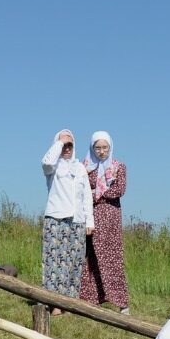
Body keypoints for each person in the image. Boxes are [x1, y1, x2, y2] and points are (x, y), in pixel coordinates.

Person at [40, 129, 93, 309]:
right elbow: (46, 161)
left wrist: (89, 221)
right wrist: (60, 143)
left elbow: (87, 196)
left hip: (77, 221)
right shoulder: (53, 167)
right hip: (56, 218)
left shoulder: (80, 168)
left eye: (70, 144)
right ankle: (53, 302)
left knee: (74, 262)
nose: (67, 148)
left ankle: (69, 303)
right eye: (64, 145)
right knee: (53, 262)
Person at [79, 131, 130, 314]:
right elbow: (78, 189)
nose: (101, 151)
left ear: (110, 147)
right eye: (98, 148)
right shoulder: (84, 167)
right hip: (87, 215)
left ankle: (120, 301)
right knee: (88, 256)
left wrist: (94, 194)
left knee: (111, 256)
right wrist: (93, 195)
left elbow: (119, 189)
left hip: (109, 217)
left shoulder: (118, 167)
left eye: (104, 147)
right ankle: (89, 298)